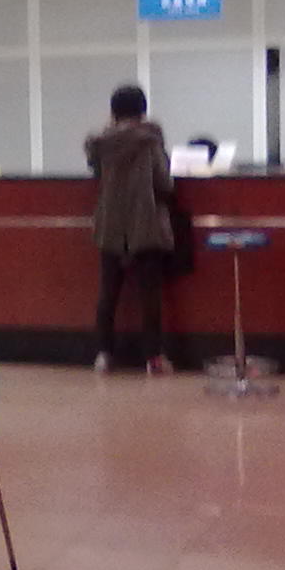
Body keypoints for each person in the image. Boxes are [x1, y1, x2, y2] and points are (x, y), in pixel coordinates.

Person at [86, 84, 176, 375]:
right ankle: (153, 358)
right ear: (142, 110)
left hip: (110, 225)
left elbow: (97, 174)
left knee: (108, 293)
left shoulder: (100, 143)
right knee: (150, 295)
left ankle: (103, 354)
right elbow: (164, 182)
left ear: (113, 111)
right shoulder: (150, 141)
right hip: (145, 223)